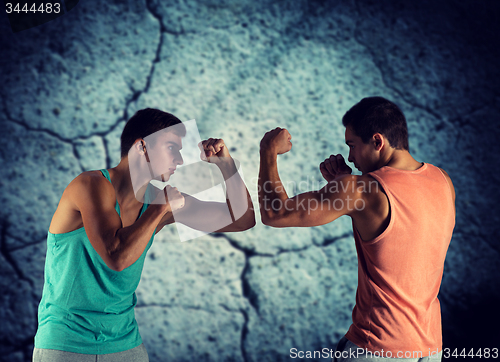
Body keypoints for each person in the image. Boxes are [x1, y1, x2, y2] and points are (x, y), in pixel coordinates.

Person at [33, 108, 255, 362]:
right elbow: (116, 258)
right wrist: (160, 209)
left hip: (125, 345)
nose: (180, 160)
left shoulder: (160, 200)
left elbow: (242, 219)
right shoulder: (90, 185)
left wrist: (226, 166)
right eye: (172, 148)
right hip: (66, 344)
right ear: (142, 146)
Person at [258, 97, 455, 361]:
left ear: (377, 141)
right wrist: (345, 182)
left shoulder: (361, 189)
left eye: (352, 145)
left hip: (377, 348)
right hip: (430, 349)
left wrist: (268, 150)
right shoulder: (443, 181)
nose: (350, 156)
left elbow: (275, 213)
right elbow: (406, 241)